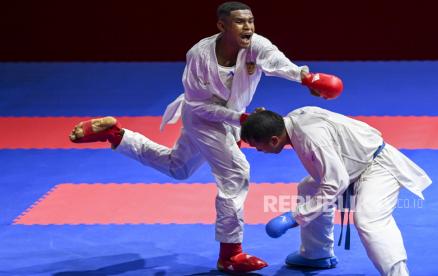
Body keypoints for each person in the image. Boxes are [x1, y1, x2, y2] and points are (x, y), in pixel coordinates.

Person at [68, 2, 342, 274]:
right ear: (222, 26)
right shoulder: (199, 55)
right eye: (239, 22)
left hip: (232, 118)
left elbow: (278, 63)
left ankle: (116, 135)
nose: (248, 27)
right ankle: (230, 255)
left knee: (178, 167)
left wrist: (307, 79)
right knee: (236, 173)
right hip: (201, 118)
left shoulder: (257, 45)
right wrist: (241, 120)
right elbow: (197, 105)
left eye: (251, 20)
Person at [240, 107, 432, 275]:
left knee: (369, 219)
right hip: (353, 165)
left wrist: (294, 217)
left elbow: (336, 183)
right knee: (308, 188)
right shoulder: (291, 119)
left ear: (274, 140)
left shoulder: (310, 139)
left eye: (258, 145)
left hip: (376, 167)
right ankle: (316, 254)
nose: (257, 150)